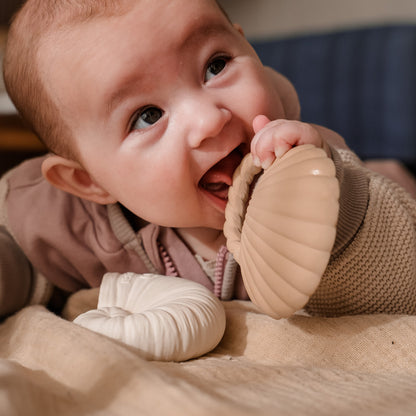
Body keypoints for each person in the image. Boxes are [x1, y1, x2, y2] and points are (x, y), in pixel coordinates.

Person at [1, 0, 415, 319]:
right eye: (147, 116)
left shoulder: (319, 171)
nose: (208, 120)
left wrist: (334, 219)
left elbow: (399, 283)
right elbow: (22, 252)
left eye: (215, 66)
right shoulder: (68, 219)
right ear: (89, 181)